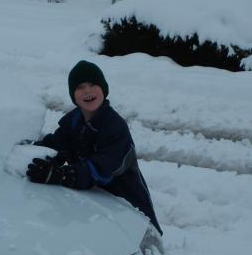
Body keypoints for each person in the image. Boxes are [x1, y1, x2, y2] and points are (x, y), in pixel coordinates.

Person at [26, 60, 162, 235]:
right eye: (80, 87)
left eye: (93, 84)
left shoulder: (115, 127)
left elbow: (99, 170)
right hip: (94, 203)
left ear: (103, 89)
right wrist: (29, 151)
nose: (87, 91)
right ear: (73, 95)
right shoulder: (73, 122)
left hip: (128, 209)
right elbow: (54, 147)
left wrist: (62, 175)